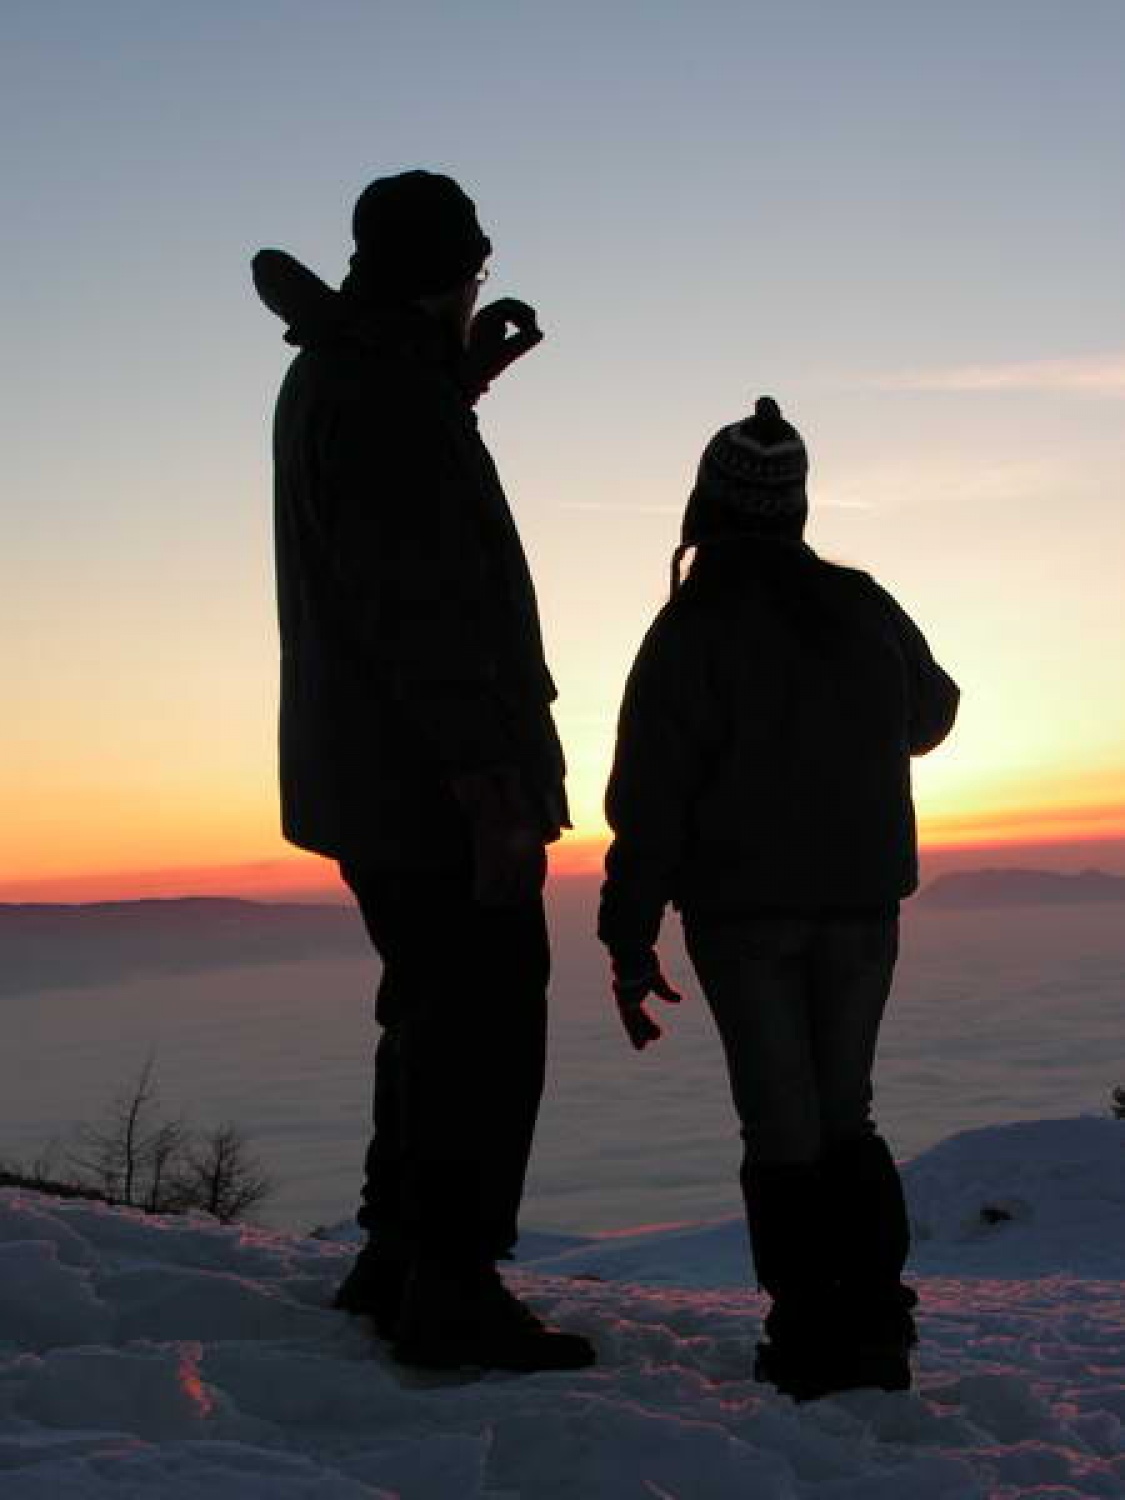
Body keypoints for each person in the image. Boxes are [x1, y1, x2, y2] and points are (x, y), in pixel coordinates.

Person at [253, 170, 593, 1372]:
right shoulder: (389, 397)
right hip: (431, 781)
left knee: (429, 1008)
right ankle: (449, 1286)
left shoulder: (348, 376)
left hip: (368, 774)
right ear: (451, 271)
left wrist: (460, 380)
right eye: (475, 275)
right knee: (486, 1024)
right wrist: (488, 786)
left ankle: (397, 1254)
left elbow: (385, 522)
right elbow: (423, 606)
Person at [598, 396, 959, 1400]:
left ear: (708, 505)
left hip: (744, 913)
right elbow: (934, 711)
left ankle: (808, 1335)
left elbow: (651, 802)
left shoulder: (691, 629)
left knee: (781, 1127)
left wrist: (630, 942)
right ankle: (877, 1328)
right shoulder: (860, 602)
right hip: (862, 904)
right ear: (795, 507)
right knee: (848, 1113)